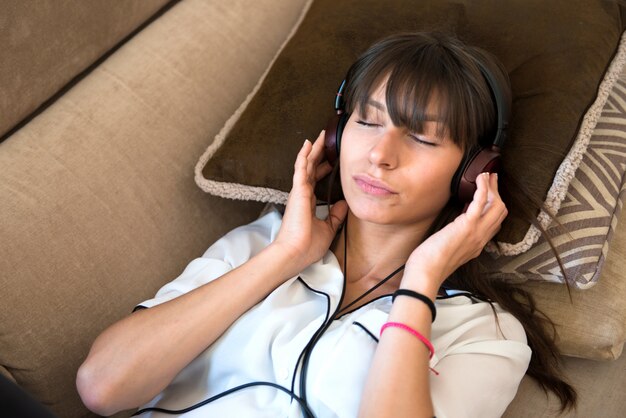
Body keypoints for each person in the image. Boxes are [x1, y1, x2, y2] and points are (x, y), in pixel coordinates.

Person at [76, 32, 576, 417]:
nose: (380, 155)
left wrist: (420, 283)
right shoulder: (265, 242)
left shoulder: (485, 333)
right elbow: (102, 387)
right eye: (367, 121)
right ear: (338, 135)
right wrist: (284, 257)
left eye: (423, 138)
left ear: (473, 173)